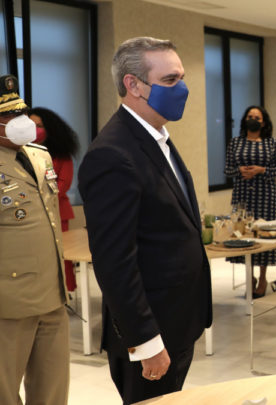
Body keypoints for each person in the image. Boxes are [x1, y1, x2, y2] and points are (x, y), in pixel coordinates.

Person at [78, 37, 212, 404]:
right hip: (151, 334)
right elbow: (114, 261)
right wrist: (145, 341)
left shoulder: (156, 139)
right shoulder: (113, 154)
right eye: (170, 80)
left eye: (181, 78)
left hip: (177, 321)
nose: (181, 88)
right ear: (133, 85)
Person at [0, 74, 70, 405]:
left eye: (21, 112)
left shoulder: (41, 156)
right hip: (9, 302)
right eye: (8, 115)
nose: (20, 121)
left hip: (52, 294)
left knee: (53, 391)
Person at [224, 105, 276, 298]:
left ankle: (263, 277)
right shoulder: (235, 143)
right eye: (250, 116)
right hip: (242, 196)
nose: (253, 120)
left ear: (263, 123)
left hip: (265, 196)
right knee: (243, 236)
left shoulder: (271, 143)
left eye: (257, 118)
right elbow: (227, 170)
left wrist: (261, 170)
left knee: (263, 236)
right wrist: (239, 171)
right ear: (244, 120)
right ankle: (249, 277)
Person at [30, 107, 79, 292]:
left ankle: (66, 291)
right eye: (31, 126)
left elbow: (63, 185)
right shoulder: (20, 152)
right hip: (30, 214)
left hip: (57, 211)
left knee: (61, 254)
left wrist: (37, 196)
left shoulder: (61, 154)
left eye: (39, 126)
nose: (35, 130)